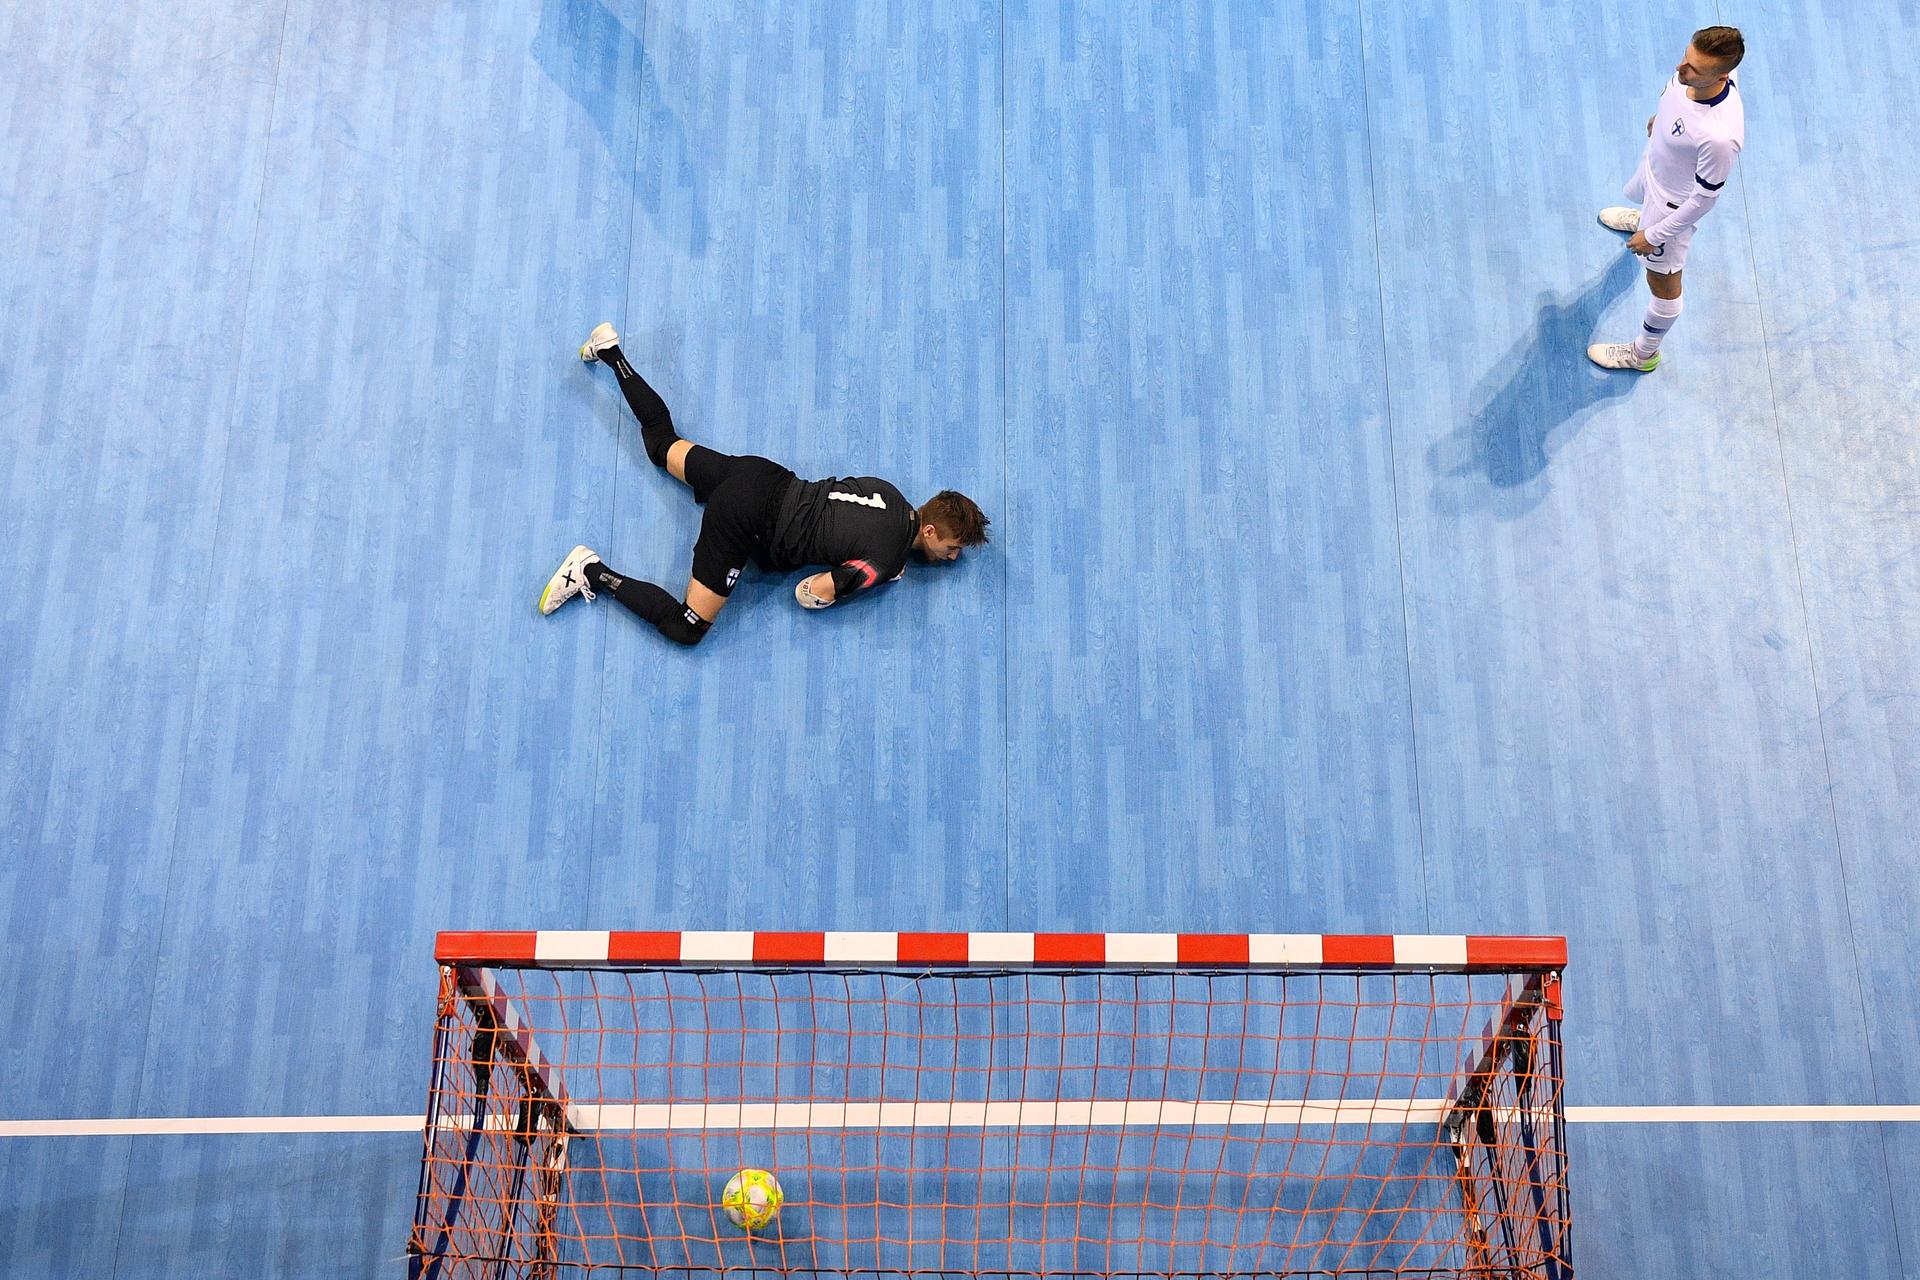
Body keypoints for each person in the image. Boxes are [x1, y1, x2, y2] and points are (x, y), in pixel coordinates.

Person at [539, 324, 990, 646]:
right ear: (929, 531)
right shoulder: (884, 562)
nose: (951, 557)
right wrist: (880, 573)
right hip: (746, 521)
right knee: (688, 627)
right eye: (951, 547)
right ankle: (590, 570)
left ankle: (611, 352)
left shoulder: (889, 493)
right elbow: (807, 594)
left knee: (663, 444)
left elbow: (846, 517)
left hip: (759, 475)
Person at [1588, 26, 1746, 372]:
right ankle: (1643, 217)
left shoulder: (1720, 139)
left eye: (1693, 69)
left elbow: (1703, 201)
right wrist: (1662, 120)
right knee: (1647, 214)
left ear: (1721, 76)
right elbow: (1680, 106)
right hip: (1657, 173)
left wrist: (1654, 234)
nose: (1680, 69)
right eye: (1685, 58)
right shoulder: (1695, 77)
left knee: (1663, 284)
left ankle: (1643, 354)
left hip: (1671, 210)